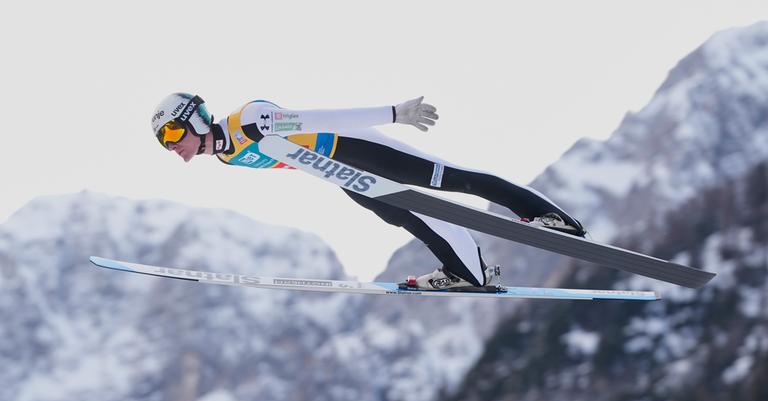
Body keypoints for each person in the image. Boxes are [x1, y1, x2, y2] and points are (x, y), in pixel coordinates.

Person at [150, 93, 586, 290]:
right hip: (338, 173)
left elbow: (321, 117)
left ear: (193, 117)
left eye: (173, 134)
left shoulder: (249, 121)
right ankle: (465, 271)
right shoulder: (226, 156)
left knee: (449, 178)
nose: (176, 148)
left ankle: (548, 215)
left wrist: (394, 113)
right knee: (407, 216)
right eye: (167, 146)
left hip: (357, 149)